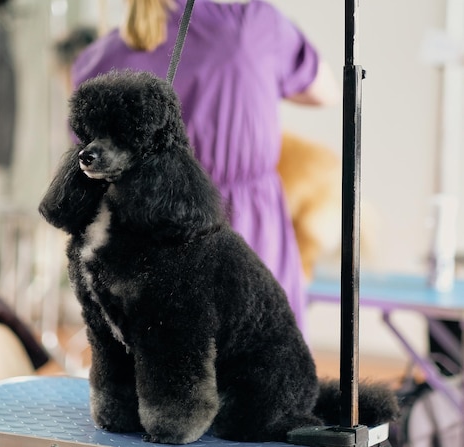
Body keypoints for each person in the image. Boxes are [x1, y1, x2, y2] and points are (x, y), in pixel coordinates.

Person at [71, 0, 339, 329]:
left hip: (147, 252)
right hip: (245, 234)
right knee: (263, 366)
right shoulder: (250, 25)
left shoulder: (97, 60)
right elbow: (326, 91)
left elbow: (87, 179)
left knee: (166, 370)